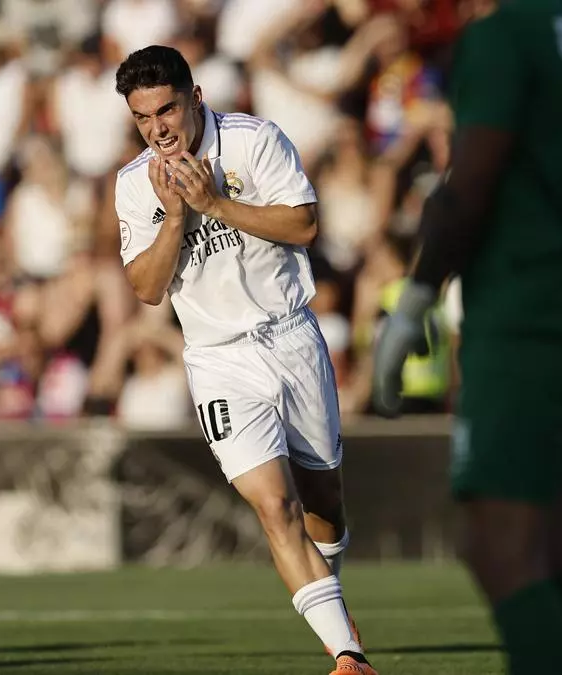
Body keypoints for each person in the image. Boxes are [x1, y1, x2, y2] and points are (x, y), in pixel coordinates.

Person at [370, 2, 562, 675]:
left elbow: (470, 182)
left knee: (500, 551)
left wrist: (417, 295)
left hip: (523, 307)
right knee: (548, 560)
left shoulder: (504, 34)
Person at [113, 45, 376, 675]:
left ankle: (329, 601)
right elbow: (146, 288)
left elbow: (304, 225)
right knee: (273, 506)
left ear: (195, 97)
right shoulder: (133, 184)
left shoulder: (254, 141)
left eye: (166, 110)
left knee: (323, 501)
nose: (158, 129)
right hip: (218, 359)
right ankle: (348, 656)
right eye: (143, 117)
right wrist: (175, 218)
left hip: (291, 336)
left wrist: (215, 206)